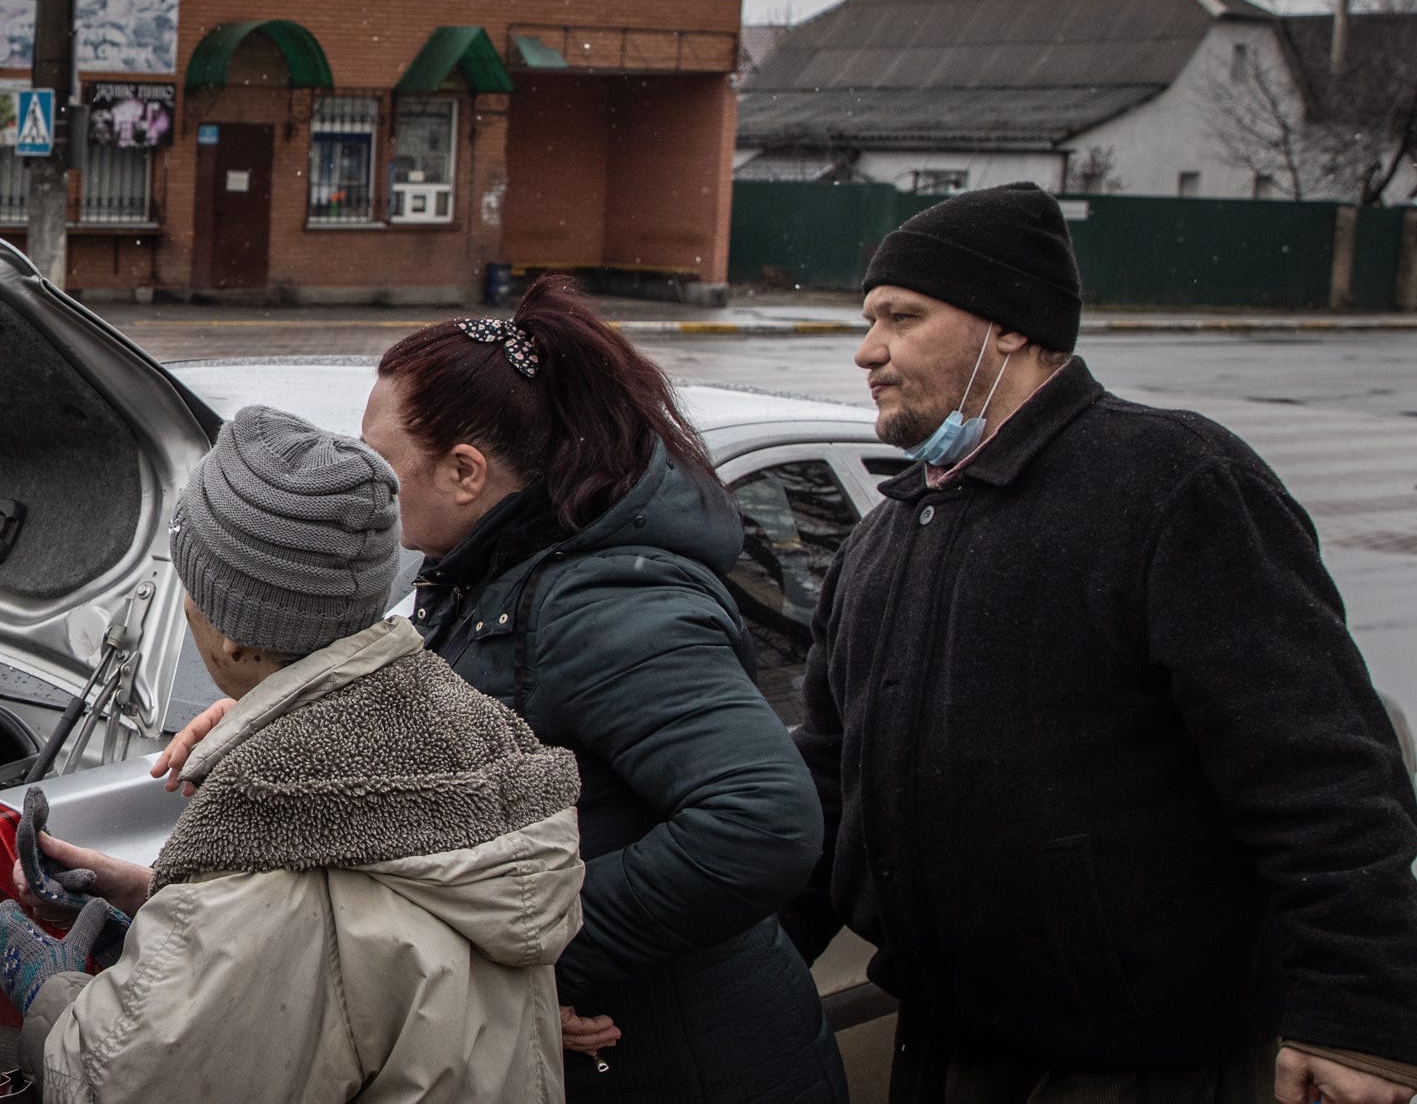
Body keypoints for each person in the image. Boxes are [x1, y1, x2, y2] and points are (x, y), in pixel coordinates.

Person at [786, 184, 1417, 1104]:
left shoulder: (1172, 485)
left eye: (902, 317)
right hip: (945, 1038)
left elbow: (1319, 772)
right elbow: (829, 785)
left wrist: (1359, 1015)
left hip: (1142, 1060)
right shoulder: (887, 537)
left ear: (1008, 325)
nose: (867, 349)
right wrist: (733, 962)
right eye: (868, 319)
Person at [222, 274, 841, 1101]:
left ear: (465, 471)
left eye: (380, 459)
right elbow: (454, 748)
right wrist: (274, 726)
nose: (366, 482)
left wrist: (543, 953)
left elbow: (763, 821)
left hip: (692, 1068)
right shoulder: (486, 574)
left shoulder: (607, 603)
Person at [2, 405, 587, 1104]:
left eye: (191, 585)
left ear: (236, 636)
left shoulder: (270, 865)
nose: (185, 605)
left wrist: (52, 996)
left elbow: (117, 1082)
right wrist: (150, 897)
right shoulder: (451, 743)